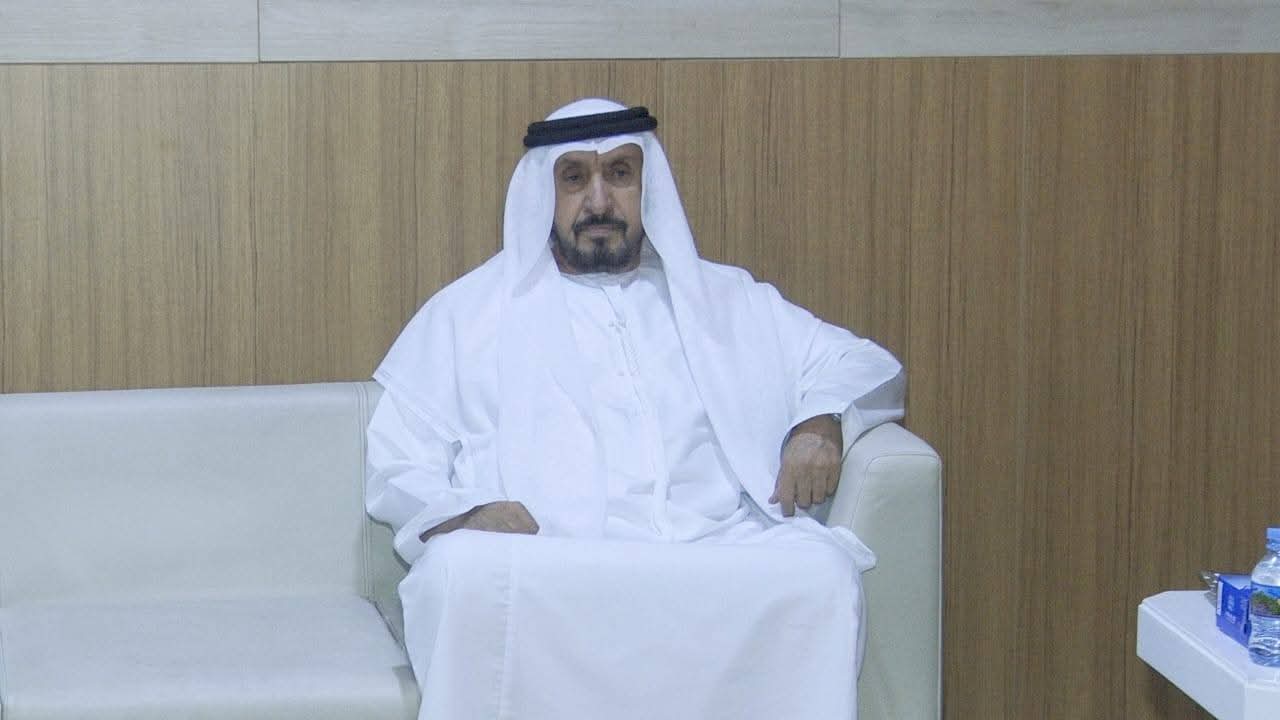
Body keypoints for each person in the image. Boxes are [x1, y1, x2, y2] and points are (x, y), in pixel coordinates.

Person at [366, 98, 905, 720]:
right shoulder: (469, 312)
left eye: (619, 174)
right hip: (557, 563)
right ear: (545, 194)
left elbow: (865, 364)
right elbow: (397, 459)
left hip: (714, 548)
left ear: (648, 188)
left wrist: (819, 422)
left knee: (822, 571)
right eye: (574, 179)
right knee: (460, 570)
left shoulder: (726, 299)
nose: (598, 201)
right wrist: (468, 512)